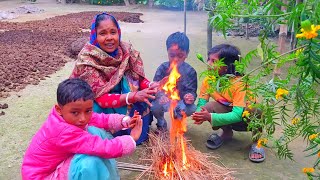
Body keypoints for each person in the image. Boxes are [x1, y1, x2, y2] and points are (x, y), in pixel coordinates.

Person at [21, 78, 142, 179]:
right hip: (43, 177)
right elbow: (104, 148)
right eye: (75, 112)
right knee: (89, 163)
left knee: (94, 131)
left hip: (51, 166)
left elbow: (98, 119)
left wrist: (125, 121)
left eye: (88, 110)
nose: (83, 118)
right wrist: (132, 138)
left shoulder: (66, 116)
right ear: (59, 109)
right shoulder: (63, 131)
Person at [70, 13, 157, 144]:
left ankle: (130, 129)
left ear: (119, 32)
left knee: (141, 98)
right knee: (93, 117)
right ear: (95, 35)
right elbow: (101, 98)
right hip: (99, 103)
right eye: (103, 33)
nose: (109, 38)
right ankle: (106, 135)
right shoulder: (87, 60)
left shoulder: (127, 51)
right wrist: (133, 96)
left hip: (124, 99)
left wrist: (150, 85)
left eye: (113, 32)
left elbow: (137, 79)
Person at [191, 44, 265, 163]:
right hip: (227, 112)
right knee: (208, 107)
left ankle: (257, 143)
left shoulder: (238, 83)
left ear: (226, 67)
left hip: (245, 118)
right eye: (208, 59)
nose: (208, 63)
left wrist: (210, 117)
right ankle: (226, 133)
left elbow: (237, 115)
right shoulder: (209, 80)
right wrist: (199, 114)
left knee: (256, 109)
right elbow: (202, 102)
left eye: (214, 61)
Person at [151, 32, 197, 132]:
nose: (176, 59)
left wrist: (190, 96)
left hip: (180, 102)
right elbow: (156, 87)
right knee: (154, 106)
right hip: (165, 101)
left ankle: (178, 123)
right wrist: (160, 96)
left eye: (180, 55)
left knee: (192, 108)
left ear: (187, 53)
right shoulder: (162, 68)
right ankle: (161, 123)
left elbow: (192, 91)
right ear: (167, 52)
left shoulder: (190, 72)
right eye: (172, 55)